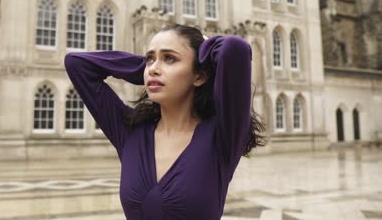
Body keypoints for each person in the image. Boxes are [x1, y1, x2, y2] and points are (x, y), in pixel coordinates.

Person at [64, 24, 266, 219]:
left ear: (200, 75)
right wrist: (146, 71)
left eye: (170, 58)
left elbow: (234, 49)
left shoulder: (222, 135)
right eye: (149, 59)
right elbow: (77, 63)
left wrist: (201, 54)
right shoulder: (130, 132)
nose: (153, 68)